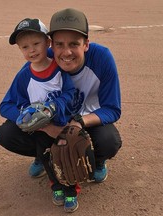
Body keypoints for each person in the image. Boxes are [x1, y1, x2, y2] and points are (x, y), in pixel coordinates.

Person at [38, 8, 123, 212]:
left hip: (88, 118)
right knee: (9, 133)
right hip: (56, 120)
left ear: (86, 44)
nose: (66, 52)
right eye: (59, 44)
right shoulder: (45, 59)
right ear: (51, 45)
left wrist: (79, 122)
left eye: (74, 44)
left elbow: (112, 108)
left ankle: (98, 162)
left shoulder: (102, 58)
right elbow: (20, 97)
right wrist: (45, 128)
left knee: (109, 141)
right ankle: (41, 157)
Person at [0, 18, 75, 179]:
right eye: (25, 47)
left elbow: (70, 92)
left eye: (36, 44)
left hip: (62, 122)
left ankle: (93, 162)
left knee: (69, 155)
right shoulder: (25, 75)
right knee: (43, 151)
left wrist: (55, 106)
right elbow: (5, 106)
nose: (31, 50)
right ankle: (44, 164)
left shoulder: (60, 67)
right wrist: (27, 116)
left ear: (48, 42)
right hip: (39, 128)